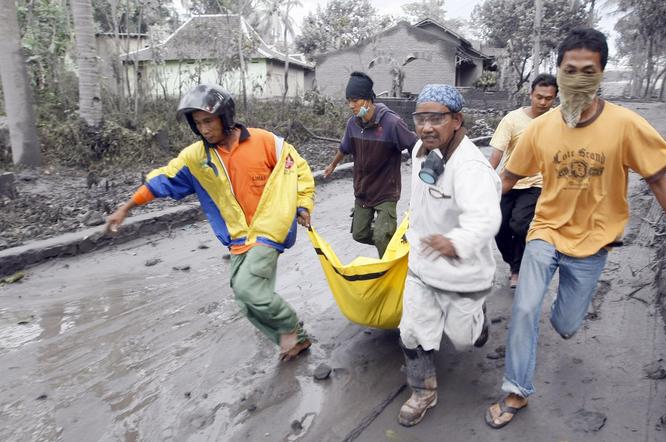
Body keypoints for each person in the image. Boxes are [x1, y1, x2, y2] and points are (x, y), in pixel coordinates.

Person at [484, 28, 666, 428]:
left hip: (594, 243)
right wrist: (470, 217)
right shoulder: (540, 129)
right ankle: (516, 391)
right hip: (545, 231)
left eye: (587, 70)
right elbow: (507, 178)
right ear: (558, 73)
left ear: (601, 74)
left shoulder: (626, 125)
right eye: (569, 70)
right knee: (524, 309)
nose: (577, 78)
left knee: (565, 324)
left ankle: (569, 310)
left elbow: (660, 181)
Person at [105, 84, 315, 362]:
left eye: (208, 121)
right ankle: (290, 340)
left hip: (271, 227)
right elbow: (162, 180)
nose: (204, 129)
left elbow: (297, 168)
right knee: (245, 301)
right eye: (198, 123)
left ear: (225, 117)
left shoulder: (266, 142)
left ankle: (292, 330)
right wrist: (126, 208)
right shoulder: (196, 158)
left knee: (248, 288)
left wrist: (303, 203)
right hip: (238, 237)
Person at [397, 84, 502, 426]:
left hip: (462, 271)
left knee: (464, 339)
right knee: (412, 331)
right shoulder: (420, 149)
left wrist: (454, 242)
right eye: (420, 118)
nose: (426, 126)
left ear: (456, 120)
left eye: (436, 118)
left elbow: (485, 218)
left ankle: (478, 319)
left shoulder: (471, 169)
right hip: (422, 265)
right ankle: (423, 392)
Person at [324, 72, 418, 257]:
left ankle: (391, 272)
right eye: (348, 100)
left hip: (386, 191)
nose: (351, 105)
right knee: (359, 234)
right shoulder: (353, 124)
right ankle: (394, 240)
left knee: (382, 239)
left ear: (368, 100)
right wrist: (332, 166)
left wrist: (426, 171)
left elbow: (415, 145)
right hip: (363, 190)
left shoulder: (392, 123)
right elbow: (344, 147)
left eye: (355, 100)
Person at [489, 74, 558, 289]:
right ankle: (513, 261)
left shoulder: (558, 120)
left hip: (537, 184)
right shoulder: (512, 119)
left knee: (519, 226)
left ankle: (517, 269)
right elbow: (497, 153)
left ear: (554, 98)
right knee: (497, 227)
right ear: (530, 94)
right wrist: (486, 180)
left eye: (548, 98)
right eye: (539, 97)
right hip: (509, 181)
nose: (543, 102)